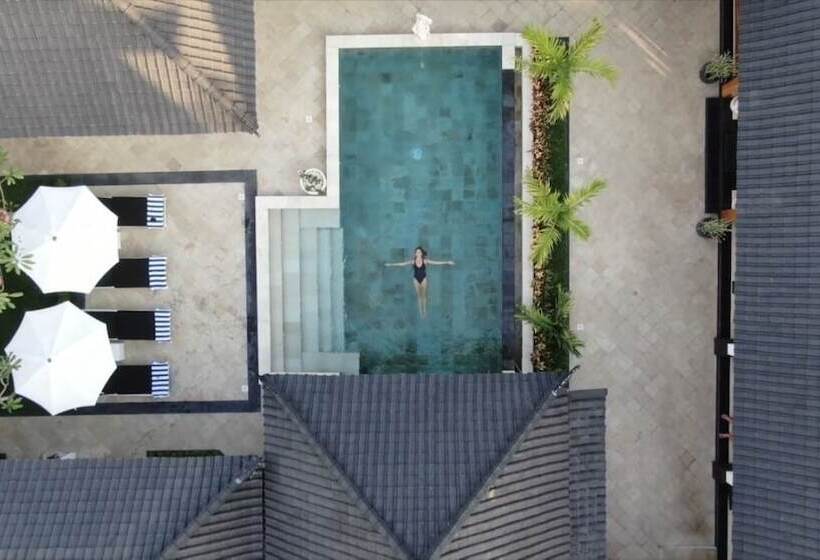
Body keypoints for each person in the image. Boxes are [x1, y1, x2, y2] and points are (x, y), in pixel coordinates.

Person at [385, 246, 455, 318]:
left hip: (424, 279)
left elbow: (436, 263)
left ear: (421, 253)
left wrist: (447, 262)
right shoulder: (413, 261)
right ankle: (421, 312)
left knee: (424, 296)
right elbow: (402, 264)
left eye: (419, 252)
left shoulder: (425, 261)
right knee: (419, 296)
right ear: (415, 254)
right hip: (416, 279)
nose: (418, 253)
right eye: (417, 252)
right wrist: (391, 264)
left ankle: (424, 310)